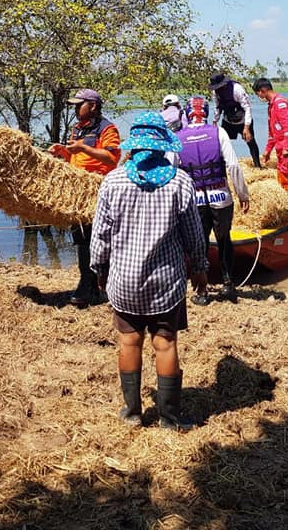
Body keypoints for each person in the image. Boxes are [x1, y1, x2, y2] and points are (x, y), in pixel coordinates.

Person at [90, 111, 208, 432]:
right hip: (166, 283)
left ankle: (131, 414)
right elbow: (194, 236)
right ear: (161, 147)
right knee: (165, 344)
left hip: (124, 281)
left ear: (134, 147)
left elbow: (100, 235)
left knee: (129, 341)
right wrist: (199, 269)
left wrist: (98, 269)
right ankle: (170, 419)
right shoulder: (180, 182)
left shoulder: (112, 181)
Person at [49, 89, 121, 308]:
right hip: (78, 191)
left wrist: (83, 148)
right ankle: (87, 282)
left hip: (97, 189)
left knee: (95, 237)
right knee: (80, 238)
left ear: (93, 106)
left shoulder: (107, 128)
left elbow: (111, 158)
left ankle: (95, 286)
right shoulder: (78, 129)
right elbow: (75, 156)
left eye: (79, 104)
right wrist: (63, 151)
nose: (75, 108)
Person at [175, 96, 250, 305]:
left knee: (199, 243)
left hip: (195, 199)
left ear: (187, 114)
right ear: (206, 113)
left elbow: (172, 169)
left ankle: (202, 291)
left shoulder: (178, 137)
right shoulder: (219, 132)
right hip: (221, 196)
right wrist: (242, 193)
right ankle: (228, 284)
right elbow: (233, 166)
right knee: (224, 239)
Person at [252, 78, 288, 221]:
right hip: (283, 148)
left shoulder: (280, 103)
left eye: (259, 95)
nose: (260, 98)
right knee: (284, 177)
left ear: (263, 90)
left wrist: (287, 148)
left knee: (287, 179)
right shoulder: (271, 106)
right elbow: (272, 133)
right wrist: (267, 151)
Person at [209, 72, 261, 168]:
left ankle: (258, 166)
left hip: (243, 120)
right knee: (221, 142)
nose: (218, 89)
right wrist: (215, 121)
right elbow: (217, 107)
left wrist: (246, 128)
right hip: (228, 120)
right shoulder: (215, 92)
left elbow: (247, 108)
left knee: (251, 142)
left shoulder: (237, 89)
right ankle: (222, 166)